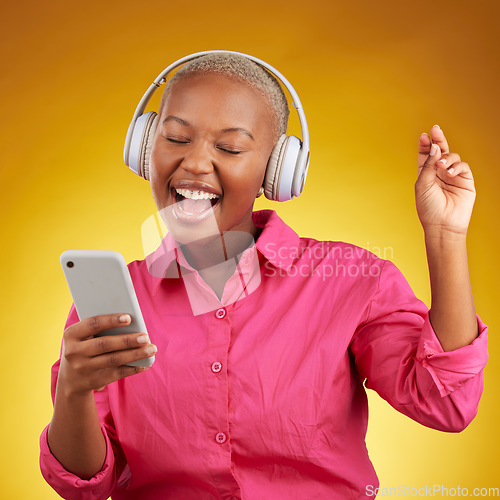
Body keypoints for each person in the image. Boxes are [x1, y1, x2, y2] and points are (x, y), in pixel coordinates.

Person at [40, 52, 488, 500]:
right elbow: (84, 486)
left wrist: (446, 234)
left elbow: (445, 405)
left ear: (275, 172)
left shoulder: (350, 281)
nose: (195, 163)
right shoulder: (115, 302)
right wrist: (74, 392)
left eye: (229, 148)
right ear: (144, 148)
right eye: (176, 138)